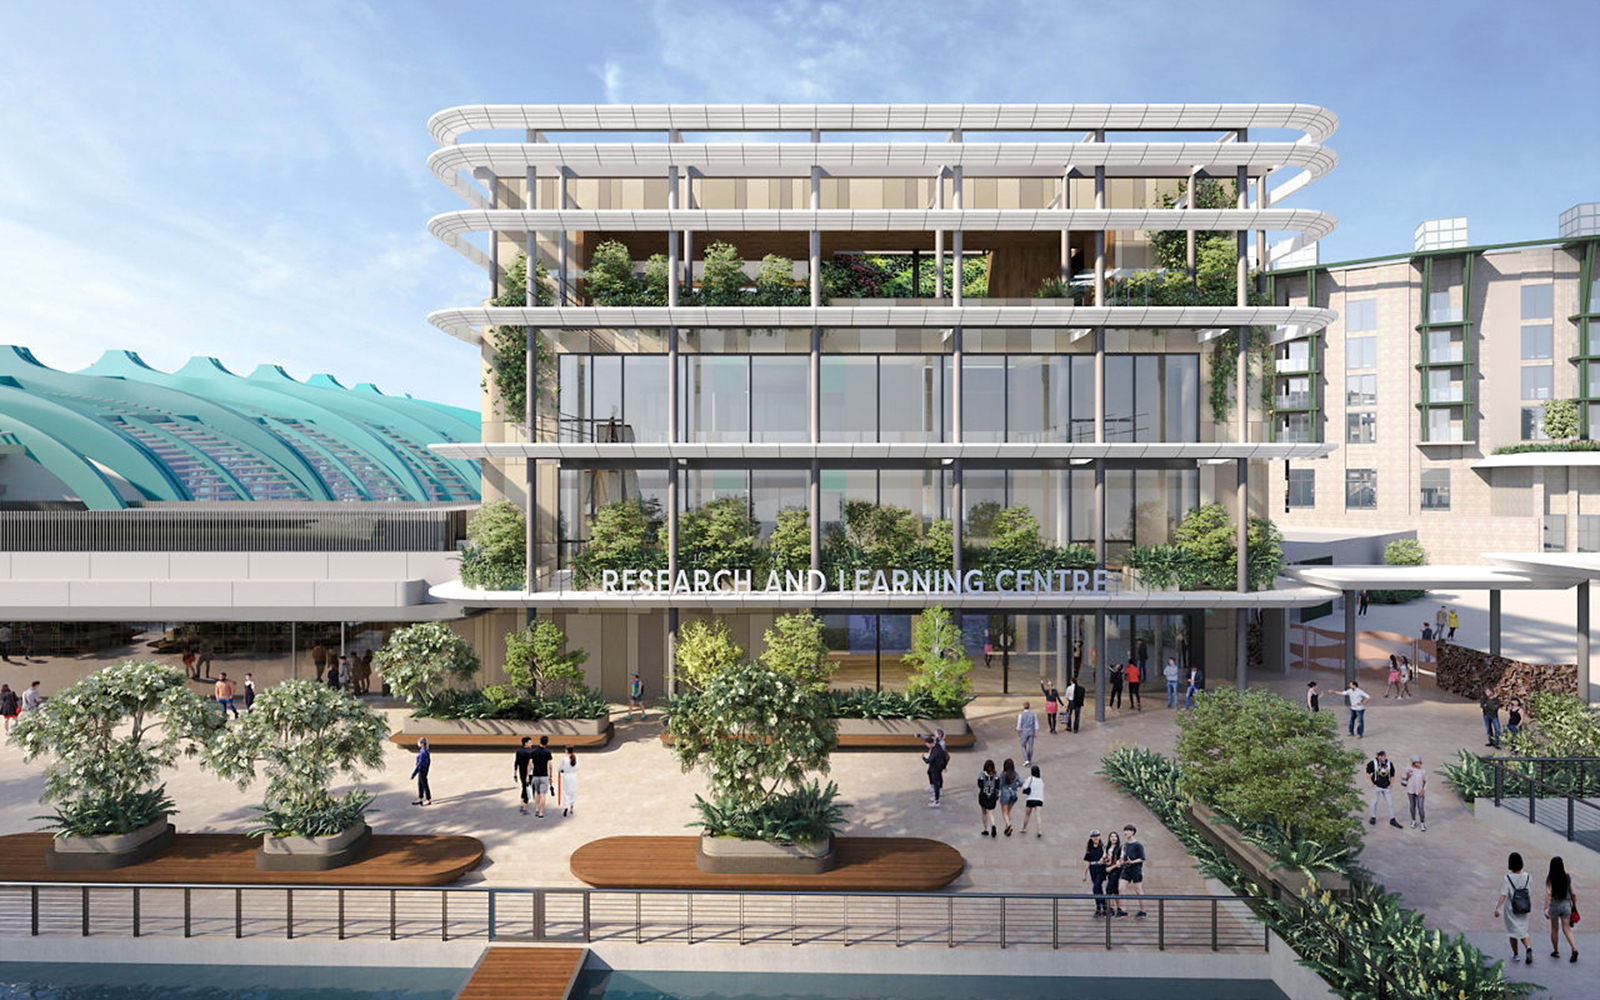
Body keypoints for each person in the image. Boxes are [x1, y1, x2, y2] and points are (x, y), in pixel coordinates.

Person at [1494, 851, 1535, 966]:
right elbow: (1529, 891)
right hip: (1524, 906)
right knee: (1523, 930)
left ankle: (1516, 954)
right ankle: (1528, 947)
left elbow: (1504, 894)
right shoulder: (1528, 876)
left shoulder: (1507, 878)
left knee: (1512, 931)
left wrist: (1498, 907)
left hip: (1511, 908)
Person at [1545, 856, 1579, 962]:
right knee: (1567, 929)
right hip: (1565, 904)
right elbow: (1573, 893)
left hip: (1554, 904)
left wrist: (1545, 907)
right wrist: (1574, 904)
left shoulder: (1550, 878)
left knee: (1555, 929)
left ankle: (1556, 951)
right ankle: (1574, 948)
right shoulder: (1568, 877)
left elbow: (1548, 893)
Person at [1366, 749, 1401, 828]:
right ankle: (1373, 816)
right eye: (1381, 756)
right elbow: (1368, 773)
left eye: (1384, 755)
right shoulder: (1373, 763)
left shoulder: (1389, 763)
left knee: (1390, 803)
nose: (1383, 757)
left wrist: (1391, 784)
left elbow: (1392, 775)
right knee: (1374, 802)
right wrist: (1372, 784)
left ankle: (1392, 819)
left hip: (1386, 786)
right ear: (1378, 756)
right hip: (1377, 785)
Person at [1121, 824, 1147, 918]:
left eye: (1127, 830)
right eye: (1124, 830)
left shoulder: (1138, 845)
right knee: (1121, 888)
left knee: (1138, 890)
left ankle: (1143, 910)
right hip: (1126, 869)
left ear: (1132, 832)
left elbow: (1142, 858)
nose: (1125, 832)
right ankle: (1123, 910)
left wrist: (1132, 862)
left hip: (1136, 869)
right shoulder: (1125, 845)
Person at [1082, 830, 1108, 916]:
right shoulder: (1089, 848)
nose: (1095, 838)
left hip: (1101, 869)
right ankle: (1102, 907)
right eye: (1093, 836)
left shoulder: (1103, 847)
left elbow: (1107, 858)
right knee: (1098, 889)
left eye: (1097, 836)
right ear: (1091, 838)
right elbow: (1087, 862)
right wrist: (1084, 874)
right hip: (1093, 869)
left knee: (1095, 887)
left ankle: (1100, 907)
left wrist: (1104, 860)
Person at [1103, 830, 1127, 917]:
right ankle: (1119, 909)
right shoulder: (1107, 848)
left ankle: (1111, 908)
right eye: (1112, 836)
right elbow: (1104, 859)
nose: (1113, 838)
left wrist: (1110, 868)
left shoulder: (1120, 848)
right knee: (1115, 890)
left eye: (1115, 836)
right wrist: (1105, 860)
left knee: (1109, 889)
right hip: (1109, 870)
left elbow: (1120, 861)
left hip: (1116, 870)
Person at [529, 735, 554, 818]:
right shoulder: (547, 752)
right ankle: (541, 813)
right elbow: (550, 765)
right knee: (543, 794)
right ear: (547, 743)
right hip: (544, 775)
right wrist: (551, 776)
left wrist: (528, 774)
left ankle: (536, 809)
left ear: (540, 741)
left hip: (535, 775)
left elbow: (530, 763)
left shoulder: (534, 752)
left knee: (537, 793)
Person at [1401, 753, 1427, 831]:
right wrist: (1407, 774)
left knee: (1421, 807)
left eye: (1419, 762)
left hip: (1419, 791)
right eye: (1417, 762)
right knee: (1412, 806)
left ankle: (1422, 823)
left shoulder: (1423, 771)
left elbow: (1426, 781)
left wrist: (1423, 790)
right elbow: (1403, 777)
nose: (1419, 764)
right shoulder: (1408, 768)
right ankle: (1413, 820)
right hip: (1411, 790)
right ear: (1413, 763)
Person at [1019, 764, 1044, 838]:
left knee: (1027, 815)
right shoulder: (1040, 780)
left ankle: (1024, 827)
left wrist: (1025, 781)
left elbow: (1024, 786)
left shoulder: (1030, 779)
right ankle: (1039, 830)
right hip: (1039, 799)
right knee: (1038, 815)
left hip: (1031, 798)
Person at [976, 759, 1000, 837]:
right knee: (991, 812)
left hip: (984, 795)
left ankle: (985, 829)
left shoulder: (982, 775)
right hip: (992, 795)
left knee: (984, 813)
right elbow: (997, 786)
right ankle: (993, 825)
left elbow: (980, 785)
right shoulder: (996, 776)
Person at [998, 759, 1022, 836]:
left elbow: (1000, 786)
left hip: (1005, 794)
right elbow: (1021, 783)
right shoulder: (1015, 774)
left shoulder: (1003, 774)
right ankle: (1007, 829)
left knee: (1004, 812)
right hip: (1013, 794)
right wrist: (1015, 786)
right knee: (1008, 812)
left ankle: (1008, 825)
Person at [514, 737, 537, 815]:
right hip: (528, 774)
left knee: (524, 788)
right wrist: (528, 775)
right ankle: (525, 808)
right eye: (530, 742)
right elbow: (529, 765)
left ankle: (521, 804)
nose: (531, 744)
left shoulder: (518, 752)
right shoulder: (529, 753)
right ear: (526, 743)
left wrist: (515, 774)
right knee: (527, 789)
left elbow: (516, 762)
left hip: (521, 773)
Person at [558, 745, 579, 816]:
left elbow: (560, 768)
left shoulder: (564, 759)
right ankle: (572, 807)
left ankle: (566, 806)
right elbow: (577, 767)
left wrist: (561, 770)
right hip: (573, 776)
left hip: (566, 776)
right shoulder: (576, 758)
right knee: (572, 791)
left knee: (565, 791)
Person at [411, 737, 432, 806]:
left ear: (422, 744)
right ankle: (420, 798)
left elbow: (419, 764)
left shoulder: (423, 752)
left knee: (424, 784)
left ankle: (428, 799)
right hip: (424, 769)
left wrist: (414, 774)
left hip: (422, 769)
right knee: (420, 783)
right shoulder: (425, 750)